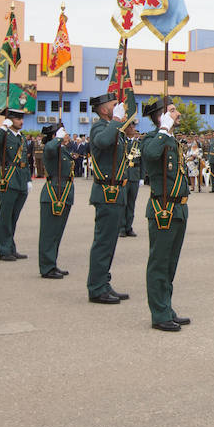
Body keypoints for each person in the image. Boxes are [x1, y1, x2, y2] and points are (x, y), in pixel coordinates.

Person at [139, 96, 191, 332]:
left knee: (170, 264)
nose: (177, 113)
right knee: (159, 262)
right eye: (172, 110)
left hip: (178, 207)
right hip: (164, 208)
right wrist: (162, 129)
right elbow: (149, 156)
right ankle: (159, 313)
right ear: (161, 116)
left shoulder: (172, 140)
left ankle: (166, 307)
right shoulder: (153, 138)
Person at [87, 93, 132, 305]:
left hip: (116, 192)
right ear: (104, 110)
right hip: (106, 192)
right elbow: (103, 141)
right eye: (115, 105)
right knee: (103, 242)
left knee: (110, 242)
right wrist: (115, 121)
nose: (119, 107)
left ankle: (103, 283)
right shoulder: (99, 127)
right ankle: (96, 288)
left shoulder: (113, 128)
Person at [0, 107, 31, 261]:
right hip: (8, 179)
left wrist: (28, 180)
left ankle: (11, 247)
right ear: (10, 120)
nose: (21, 121)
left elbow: (25, 160)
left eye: (21, 119)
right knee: (5, 217)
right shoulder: (4, 135)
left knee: (13, 217)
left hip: (20, 180)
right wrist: (2, 127)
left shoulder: (22, 137)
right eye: (18, 119)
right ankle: (4, 250)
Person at [37, 122, 73, 279]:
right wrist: (57, 140)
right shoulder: (52, 148)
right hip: (54, 191)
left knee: (57, 232)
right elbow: (50, 148)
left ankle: (52, 263)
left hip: (64, 190)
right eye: (62, 132)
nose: (66, 135)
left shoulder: (62, 150)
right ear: (54, 136)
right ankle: (46, 267)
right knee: (49, 232)